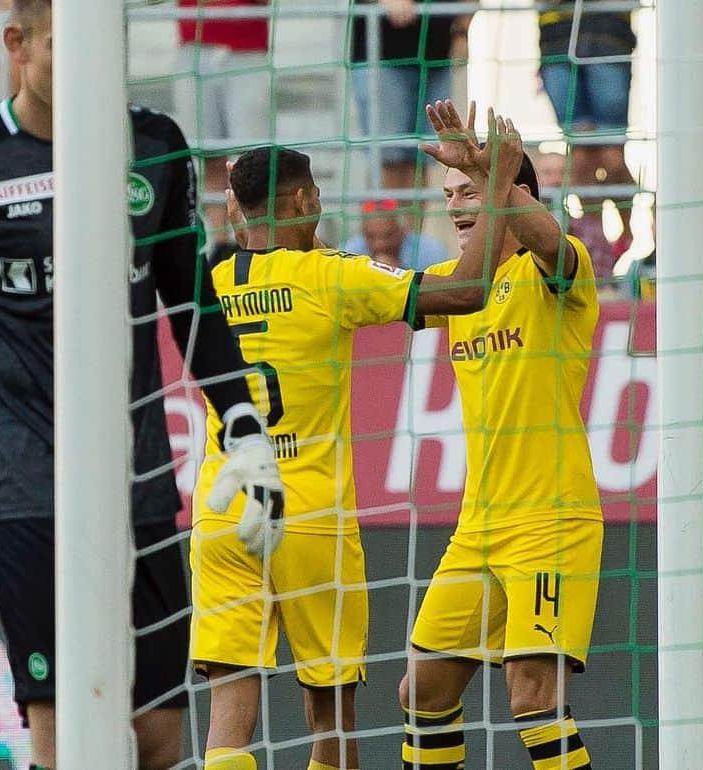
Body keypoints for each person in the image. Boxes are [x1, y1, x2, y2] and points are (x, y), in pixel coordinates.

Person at [0, 2, 284, 770]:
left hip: (138, 480)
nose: (88, 61)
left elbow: (191, 301)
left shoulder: (153, 146)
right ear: (17, 44)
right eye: (64, 44)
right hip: (23, 487)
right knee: (60, 727)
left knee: (156, 733)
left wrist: (244, 425)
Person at [193, 123, 520, 770]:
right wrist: (498, 182)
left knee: (230, 717)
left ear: (234, 209)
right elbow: (467, 291)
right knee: (329, 721)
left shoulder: (207, 282)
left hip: (223, 510)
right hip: (309, 515)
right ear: (304, 201)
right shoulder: (329, 274)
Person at [396, 100, 602, 770]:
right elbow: (374, 294)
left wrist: (496, 176)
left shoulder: (557, 272)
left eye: (470, 195)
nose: (457, 208)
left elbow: (544, 240)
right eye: (450, 195)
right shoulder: (463, 292)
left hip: (550, 521)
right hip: (478, 527)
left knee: (532, 697)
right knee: (421, 691)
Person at [538, 0, 637, 279]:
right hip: (557, 40)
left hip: (608, 37)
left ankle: (627, 234)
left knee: (612, 157)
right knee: (580, 155)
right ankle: (597, 253)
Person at [173, 0, 271, 250]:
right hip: (195, 46)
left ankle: (256, 244)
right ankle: (219, 244)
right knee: (207, 154)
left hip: (246, 48)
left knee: (252, 159)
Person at [350, 0, 471, 193]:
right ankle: (389, 222)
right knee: (388, 158)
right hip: (383, 56)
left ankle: (411, 224)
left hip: (437, 57)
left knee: (423, 156)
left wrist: (462, 32)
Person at [344, 197, 448, 270]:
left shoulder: (429, 251)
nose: (380, 244)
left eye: (388, 235)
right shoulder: (350, 252)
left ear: (403, 230)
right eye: (371, 236)